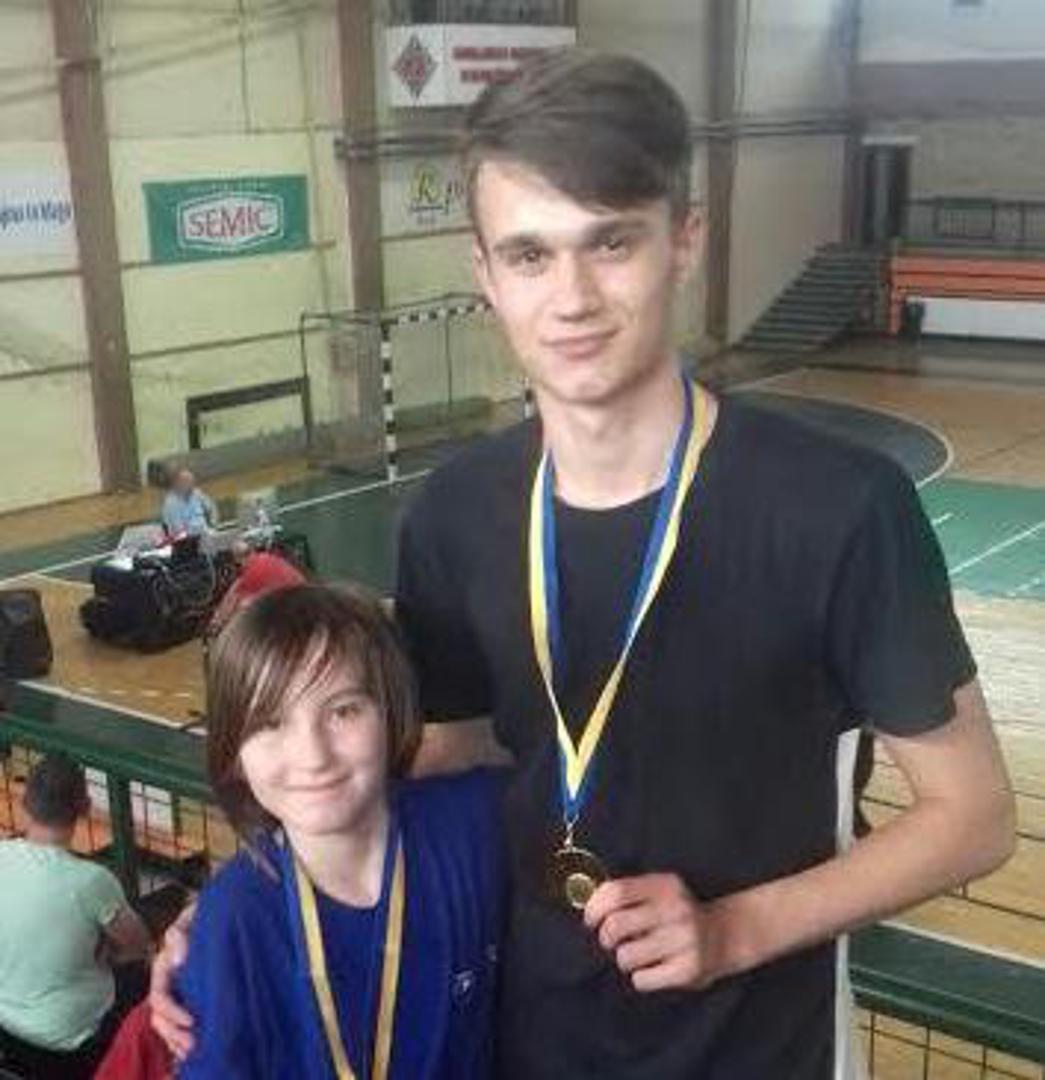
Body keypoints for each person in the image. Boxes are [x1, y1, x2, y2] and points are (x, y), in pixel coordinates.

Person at [152, 50, 1015, 1078]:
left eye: (609, 242)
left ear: (682, 239)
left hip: (759, 1051)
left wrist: (733, 929)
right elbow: (442, 760)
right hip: (528, 1046)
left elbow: (974, 818)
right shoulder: (454, 516)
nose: (571, 298)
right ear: (484, 274)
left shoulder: (836, 508)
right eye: (528, 254)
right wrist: (244, 906)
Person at [171, 583, 504, 1078]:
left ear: (391, 713)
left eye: (343, 710)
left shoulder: (473, 825)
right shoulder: (230, 919)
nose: (313, 756)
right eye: (269, 723)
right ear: (233, 752)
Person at [0, 754, 152, 1080]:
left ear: (25, 803)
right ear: (85, 807)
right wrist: (105, 952)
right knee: (143, 974)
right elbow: (138, 946)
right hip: (69, 1043)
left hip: (6, 1028)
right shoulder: (92, 881)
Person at [161, 466, 217, 538]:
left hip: (206, 534)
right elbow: (178, 530)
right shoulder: (171, 504)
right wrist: (198, 532)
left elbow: (211, 509)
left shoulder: (197, 493)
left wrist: (212, 525)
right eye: (186, 481)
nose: (191, 485)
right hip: (187, 540)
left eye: (192, 481)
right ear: (177, 483)